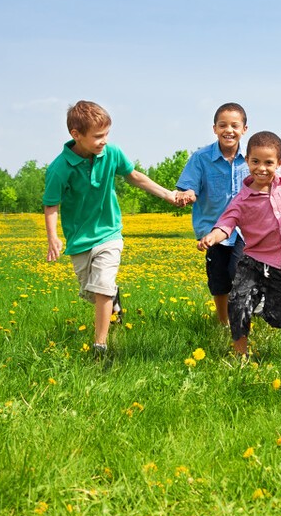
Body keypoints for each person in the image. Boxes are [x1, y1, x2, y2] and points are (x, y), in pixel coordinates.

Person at [43, 100, 182, 364]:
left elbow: (135, 176)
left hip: (109, 233)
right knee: (91, 292)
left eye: (106, 134)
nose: (104, 141)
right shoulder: (59, 168)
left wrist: (168, 195)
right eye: (97, 136)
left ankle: (100, 345)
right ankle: (114, 302)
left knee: (103, 285)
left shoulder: (112, 153)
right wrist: (53, 237)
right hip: (79, 239)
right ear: (76, 134)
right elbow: (51, 204)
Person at [197, 131, 281, 358]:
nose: (261, 168)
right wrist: (212, 237)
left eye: (268, 162)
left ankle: (263, 304)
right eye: (255, 161)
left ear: (279, 163)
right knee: (238, 303)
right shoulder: (242, 199)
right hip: (253, 260)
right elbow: (226, 224)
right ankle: (241, 354)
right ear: (247, 160)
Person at [173, 103, 249, 327]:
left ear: (244, 129)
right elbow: (189, 188)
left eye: (235, 125)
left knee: (239, 272)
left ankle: (242, 319)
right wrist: (187, 194)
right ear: (214, 128)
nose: (229, 130)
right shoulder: (200, 158)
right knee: (219, 279)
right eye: (223, 125)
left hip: (244, 230)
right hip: (211, 230)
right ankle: (224, 323)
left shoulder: (251, 157)